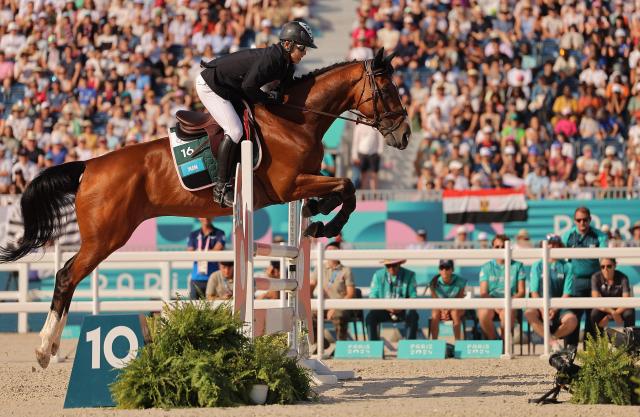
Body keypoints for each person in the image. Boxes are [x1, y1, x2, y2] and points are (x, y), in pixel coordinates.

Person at [197, 21, 316, 208]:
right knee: (235, 130)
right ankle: (220, 189)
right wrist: (269, 97)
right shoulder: (272, 59)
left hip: (231, 88)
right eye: (302, 48)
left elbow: (283, 92)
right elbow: (249, 86)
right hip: (212, 86)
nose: (304, 53)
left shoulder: (286, 64)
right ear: (287, 45)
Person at [562, 206, 608, 346]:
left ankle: (591, 354)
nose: (582, 223)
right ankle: (570, 352)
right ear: (574, 221)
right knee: (573, 317)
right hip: (574, 281)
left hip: (595, 281)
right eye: (579, 220)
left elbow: (605, 258)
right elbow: (563, 260)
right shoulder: (567, 236)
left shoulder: (600, 236)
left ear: (590, 220)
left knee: (593, 317)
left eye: (585, 220)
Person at [525, 235, 577, 349]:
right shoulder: (537, 265)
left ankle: (551, 339)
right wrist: (543, 310)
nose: (552, 246)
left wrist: (554, 309)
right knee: (529, 313)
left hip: (560, 307)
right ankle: (553, 343)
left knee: (572, 320)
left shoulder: (567, 266)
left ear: (560, 246)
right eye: (550, 243)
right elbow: (534, 292)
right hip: (540, 306)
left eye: (555, 244)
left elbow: (566, 293)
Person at [477, 234, 527, 340]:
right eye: (497, 247)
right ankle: (495, 341)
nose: (500, 249)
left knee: (506, 313)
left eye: (503, 247)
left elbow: (521, 291)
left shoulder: (518, 266)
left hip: (511, 302)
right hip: (491, 302)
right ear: (492, 248)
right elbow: (483, 292)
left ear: (509, 248)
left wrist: (506, 303)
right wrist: (496, 305)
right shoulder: (486, 267)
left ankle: (504, 344)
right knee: (482, 313)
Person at [310, 242, 356, 340]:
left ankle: (340, 347)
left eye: (333, 251)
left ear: (339, 253)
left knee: (339, 315)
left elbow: (350, 293)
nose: (331, 253)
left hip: (341, 306)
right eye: (328, 251)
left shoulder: (346, 270)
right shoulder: (320, 267)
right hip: (322, 305)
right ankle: (318, 343)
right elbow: (311, 284)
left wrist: (335, 307)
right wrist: (309, 301)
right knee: (308, 314)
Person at [365, 259, 419, 341]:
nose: (391, 268)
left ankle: (409, 347)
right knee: (370, 317)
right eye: (388, 266)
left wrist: (401, 307)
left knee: (412, 314)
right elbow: (373, 296)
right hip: (384, 309)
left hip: (403, 310)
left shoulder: (410, 275)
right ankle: (373, 347)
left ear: (400, 264)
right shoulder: (378, 275)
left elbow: (413, 296)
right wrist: (386, 307)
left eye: (394, 265)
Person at [590, 258, 635, 332]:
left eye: (609, 266)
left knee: (629, 313)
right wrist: (612, 313)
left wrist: (614, 313)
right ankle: (599, 339)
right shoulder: (595, 277)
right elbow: (596, 300)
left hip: (620, 308)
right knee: (594, 314)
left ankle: (628, 340)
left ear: (615, 266)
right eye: (602, 267)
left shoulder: (623, 278)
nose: (605, 269)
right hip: (605, 308)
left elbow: (626, 300)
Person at [427, 260, 467, 340]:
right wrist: (443, 310)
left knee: (455, 313)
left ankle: (458, 342)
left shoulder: (460, 281)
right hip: (440, 307)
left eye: (447, 267)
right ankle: (434, 343)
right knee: (435, 315)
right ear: (439, 270)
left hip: (456, 306)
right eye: (442, 268)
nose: (444, 270)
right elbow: (435, 301)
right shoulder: (433, 283)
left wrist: (448, 310)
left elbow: (459, 299)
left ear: (452, 269)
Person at [187, 217, 225, 299]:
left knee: (215, 309)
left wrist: (198, 251)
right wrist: (210, 250)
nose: (206, 217)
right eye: (203, 215)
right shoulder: (193, 234)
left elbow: (217, 251)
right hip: (196, 278)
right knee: (194, 308)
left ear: (213, 216)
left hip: (213, 277)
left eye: (209, 214)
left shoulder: (220, 233)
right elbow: (190, 253)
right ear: (199, 217)